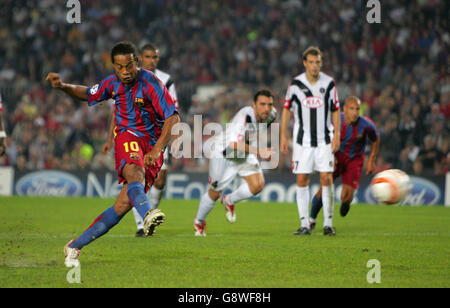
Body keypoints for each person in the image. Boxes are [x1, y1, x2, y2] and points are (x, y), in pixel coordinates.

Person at [46, 41, 179, 267]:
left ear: (136, 62)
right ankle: (148, 213)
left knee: (121, 206)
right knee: (135, 173)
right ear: (114, 67)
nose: (125, 72)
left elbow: (173, 117)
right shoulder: (112, 83)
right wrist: (62, 86)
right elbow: (87, 93)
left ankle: (74, 246)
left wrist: (157, 149)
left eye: (129, 66)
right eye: (119, 67)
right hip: (127, 136)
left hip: (152, 145)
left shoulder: (152, 83)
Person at [101, 43, 179, 237]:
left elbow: (173, 111)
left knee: (160, 180)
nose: (151, 60)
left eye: (155, 57)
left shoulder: (165, 80)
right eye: (148, 57)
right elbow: (117, 111)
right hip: (134, 136)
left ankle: (149, 211)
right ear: (139, 59)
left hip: (158, 136)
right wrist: (109, 138)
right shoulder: (127, 78)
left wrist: (171, 138)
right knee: (138, 177)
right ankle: (141, 222)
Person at [193, 90, 276, 236]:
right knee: (215, 193)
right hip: (224, 153)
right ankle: (199, 221)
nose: (267, 108)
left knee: (257, 185)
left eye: (269, 104)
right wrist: (260, 151)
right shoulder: (245, 116)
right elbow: (233, 144)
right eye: (262, 104)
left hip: (243, 152)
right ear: (254, 105)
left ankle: (229, 200)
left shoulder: (271, 115)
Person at [280, 46, 340, 236]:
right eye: (311, 62)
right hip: (302, 141)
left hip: (325, 140)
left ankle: (328, 223)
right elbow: (286, 110)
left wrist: (337, 134)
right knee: (302, 179)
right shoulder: (296, 85)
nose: (315, 66)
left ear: (321, 63)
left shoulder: (329, 83)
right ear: (304, 63)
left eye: (318, 62)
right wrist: (282, 135)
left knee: (326, 178)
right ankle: (304, 223)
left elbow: (336, 109)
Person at [309, 96, 380, 229]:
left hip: (354, 160)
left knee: (346, 196)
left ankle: (346, 203)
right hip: (335, 156)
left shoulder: (366, 125)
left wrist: (371, 159)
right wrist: (328, 155)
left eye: (357, 109)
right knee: (323, 188)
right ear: (345, 109)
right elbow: (321, 138)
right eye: (352, 109)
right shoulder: (334, 121)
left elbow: (375, 139)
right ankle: (311, 220)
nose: (355, 112)